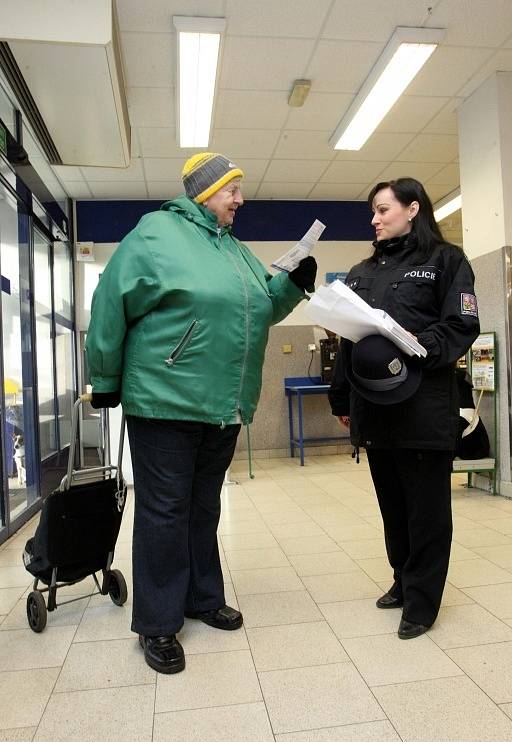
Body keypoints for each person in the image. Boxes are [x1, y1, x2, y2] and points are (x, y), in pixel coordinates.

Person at [85, 152, 316, 673]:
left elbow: (263, 306)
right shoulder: (156, 234)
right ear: (205, 193)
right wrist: (104, 377)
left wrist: (294, 284)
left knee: (203, 506)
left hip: (223, 406)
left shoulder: (234, 249)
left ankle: (201, 597)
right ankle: (158, 623)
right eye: (233, 189)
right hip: (166, 399)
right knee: (165, 512)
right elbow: (109, 301)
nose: (240, 199)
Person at [328, 177, 480, 639]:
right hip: (375, 408)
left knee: (427, 509)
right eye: (373, 212)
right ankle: (402, 577)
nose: (374, 220)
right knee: (392, 505)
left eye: (382, 210)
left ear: (413, 209)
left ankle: (422, 600)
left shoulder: (447, 261)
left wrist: (416, 346)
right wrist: (341, 396)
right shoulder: (360, 272)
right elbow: (348, 339)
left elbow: (462, 323)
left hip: (424, 406)